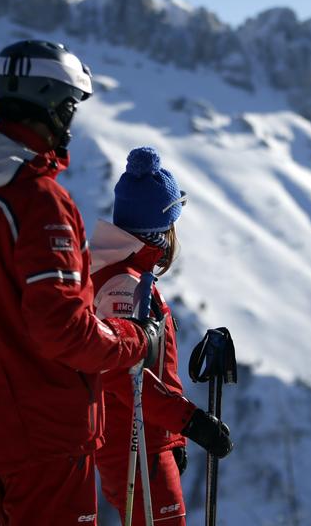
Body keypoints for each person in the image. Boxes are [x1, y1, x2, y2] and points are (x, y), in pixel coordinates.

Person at [0, 40, 161, 526]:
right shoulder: (39, 201)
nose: (70, 122)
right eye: (70, 106)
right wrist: (136, 340)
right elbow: (62, 329)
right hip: (44, 440)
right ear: (54, 105)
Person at [90, 146, 233, 526]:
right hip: (133, 442)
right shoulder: (123, 283)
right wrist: (189, 421)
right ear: (161, 230)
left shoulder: (131, 274)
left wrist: (174, 436)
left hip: (145, 438)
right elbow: (122, 373)